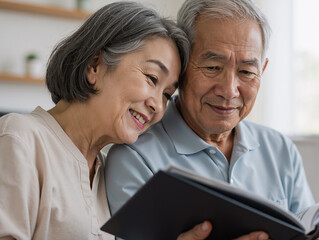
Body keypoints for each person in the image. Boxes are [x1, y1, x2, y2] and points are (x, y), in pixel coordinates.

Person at [105, 0, 319, 239]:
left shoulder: (280, 150)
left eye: (247, 72)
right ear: (183, 66)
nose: (229, 90)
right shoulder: (134, 157)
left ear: (262, 70)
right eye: (213, 67)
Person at [0, 2, 252, 239]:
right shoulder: (19, 139)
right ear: (95, 65)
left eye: (166, 94)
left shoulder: (103, 170)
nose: (157, 105)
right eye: (152, 78)